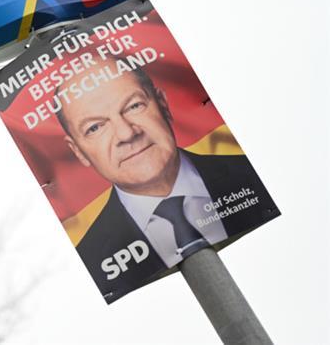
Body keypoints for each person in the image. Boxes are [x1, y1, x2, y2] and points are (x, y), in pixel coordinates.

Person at [55, 58, 279, 303]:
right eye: (96, 127)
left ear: (162, 104)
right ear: (78, 151)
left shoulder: (248, 176)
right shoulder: (94, 252)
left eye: (134, 106)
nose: (127, 133)